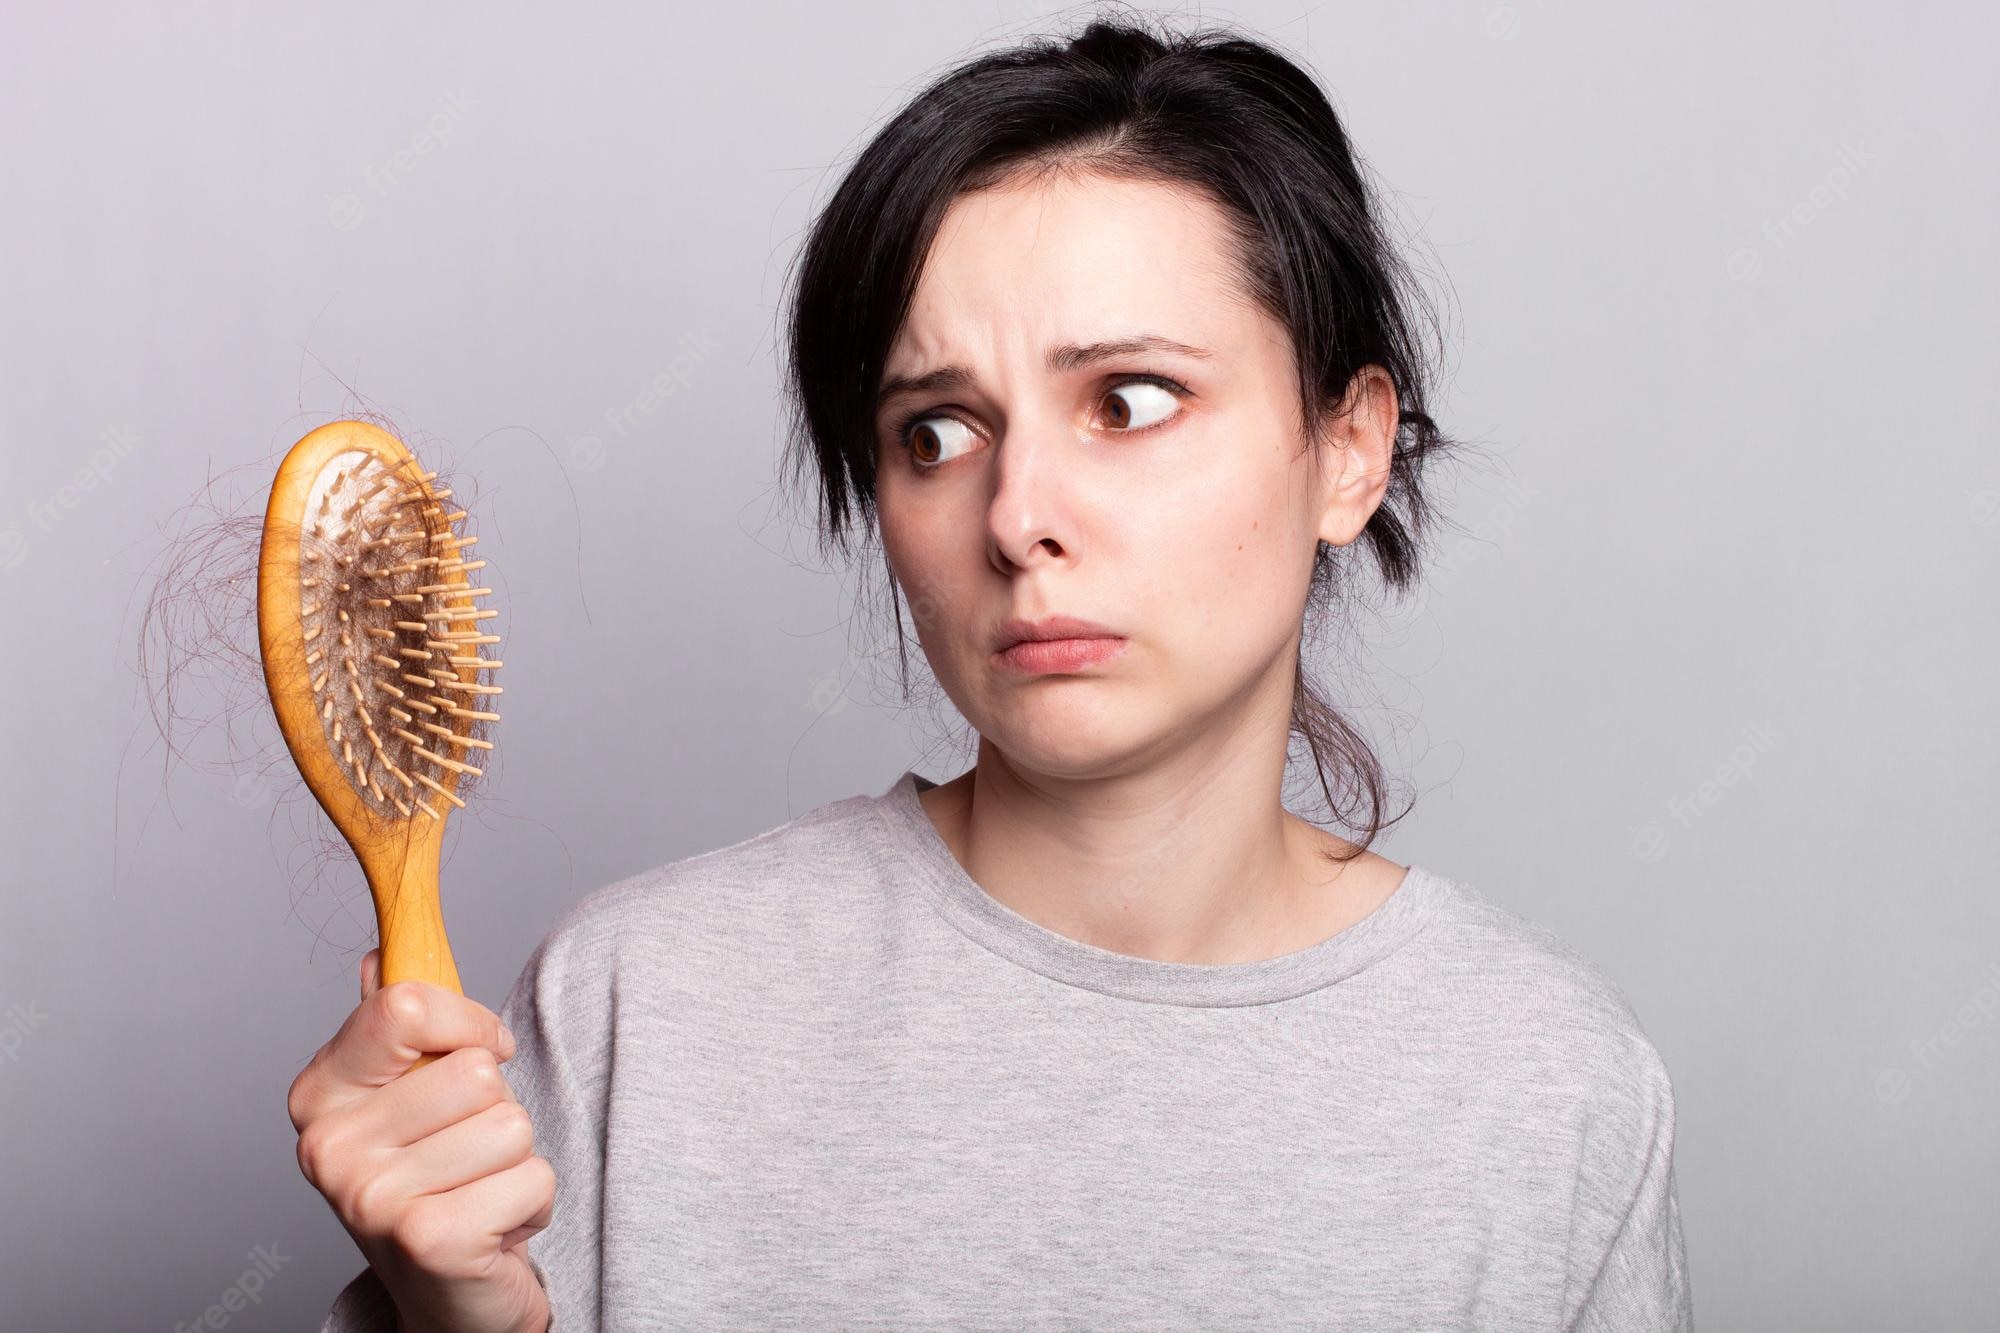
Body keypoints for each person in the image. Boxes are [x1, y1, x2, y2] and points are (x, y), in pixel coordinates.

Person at [294, 16, 1693, 1331]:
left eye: (1130, 401)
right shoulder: (636, 1012)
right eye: (938, 432)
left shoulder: (1547, 1091)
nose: (1019, 512)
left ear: (1349, 448)